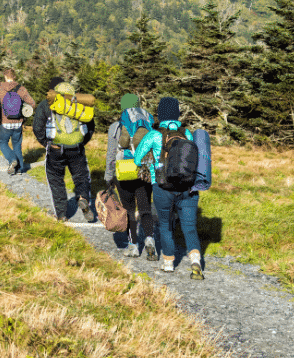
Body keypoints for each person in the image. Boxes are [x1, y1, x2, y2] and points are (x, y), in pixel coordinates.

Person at [134, 96, 206, 280]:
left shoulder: (155, 134)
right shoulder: (187, 133)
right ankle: (196, 263)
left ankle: (168, 264)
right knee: (189, 227)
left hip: (162, 186)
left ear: (161, 113)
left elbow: (137, 159)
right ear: (177, 113)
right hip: (188, 187)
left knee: (165, 225)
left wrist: (150, 162)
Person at [33, 78, 95, 222]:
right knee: (81, 176)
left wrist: (47, 144)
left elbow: (37, 127)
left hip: (55, 149)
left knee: (56, 180)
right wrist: (81, 142)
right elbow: (90, 127)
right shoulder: (80, 104)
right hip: (77, 148)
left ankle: (61, 215)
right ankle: (83, 197)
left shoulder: (46, 104)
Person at [104, 93, 157, 260]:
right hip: (144, 169)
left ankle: (133, 246)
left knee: (128, 209)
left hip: (124, 170)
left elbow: (111, 153)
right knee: (145, 208)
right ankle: (149, 239)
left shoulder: (116, 126)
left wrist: (108, 176)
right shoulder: (149, 122)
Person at [0, 69, 36, 175]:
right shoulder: (21, 89)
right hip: (18, 123)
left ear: (5, 76)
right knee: (17, 145)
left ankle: (12, 159)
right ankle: (20, 169)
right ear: (14, 77)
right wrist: (23, 110)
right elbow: (32, 103)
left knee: (3, 142)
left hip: (5, 123)